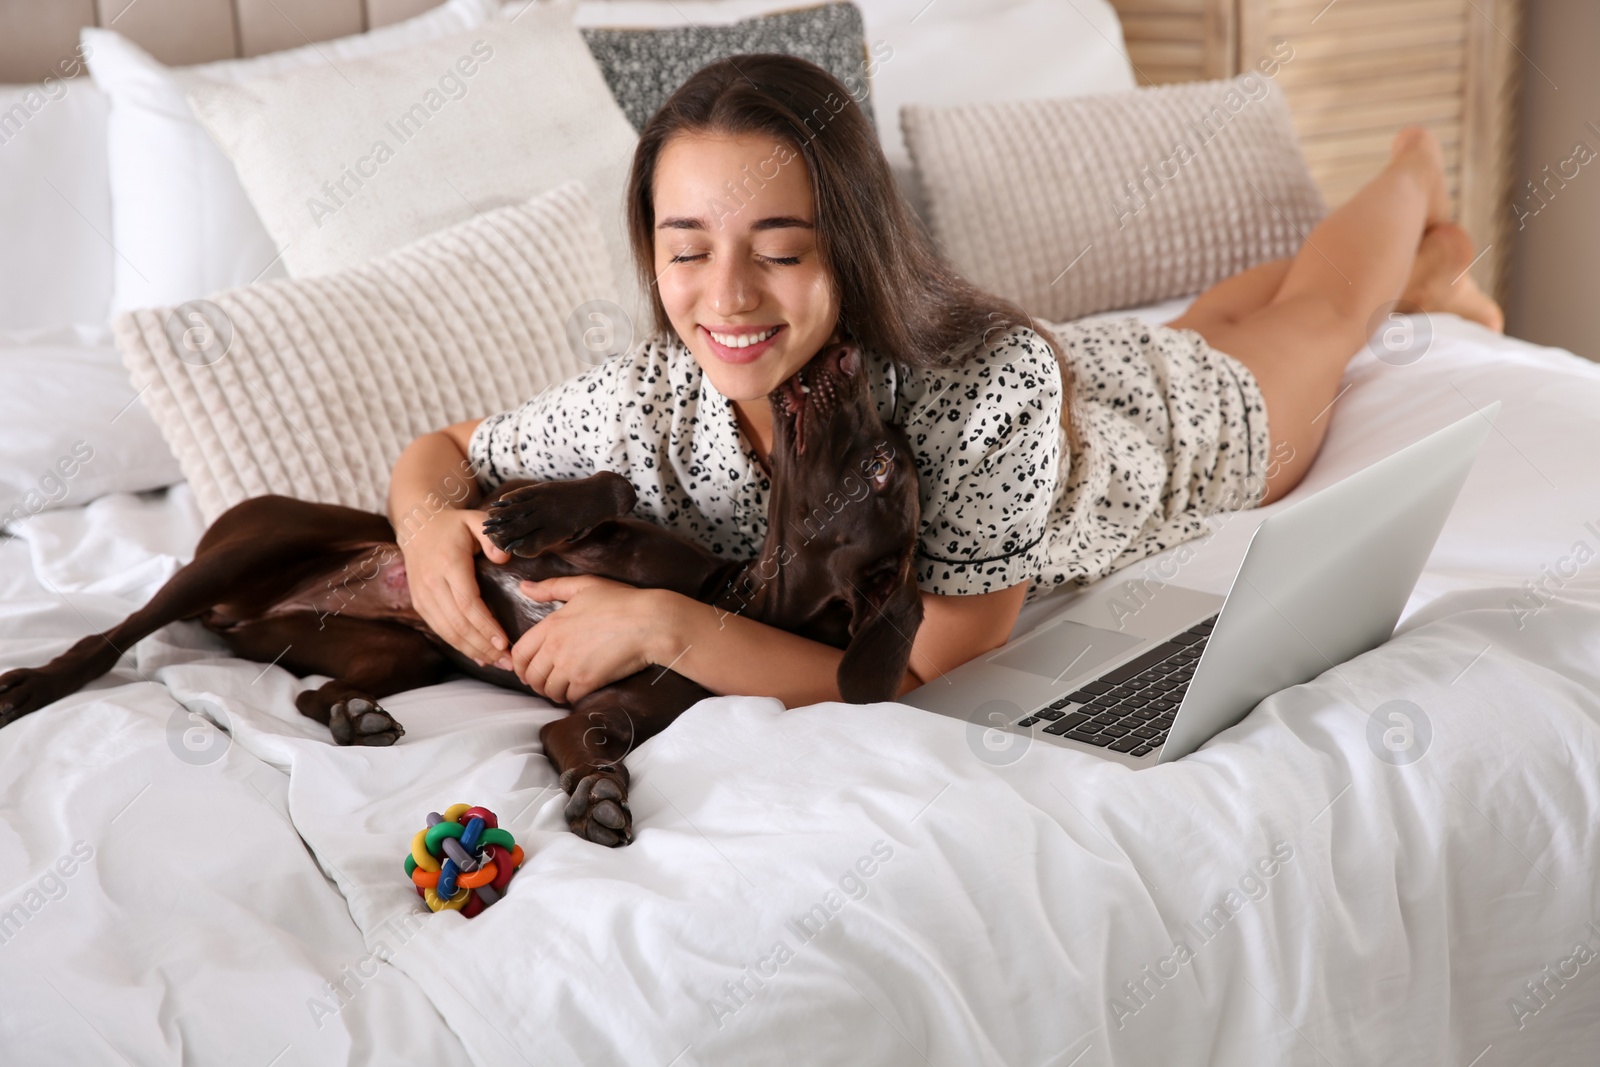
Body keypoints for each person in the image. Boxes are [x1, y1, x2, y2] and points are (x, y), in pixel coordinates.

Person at [387, 55, 1501, 710]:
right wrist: (431, 527)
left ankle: (1410, 183)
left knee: (1317, 317)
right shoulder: (652, 401)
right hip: (1057, 368)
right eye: (686, 250)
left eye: (779, 248)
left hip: (1156, 433)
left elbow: (925, 668)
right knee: (1214, 308)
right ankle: (1433, 275)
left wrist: (667, 629)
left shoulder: (980, 391)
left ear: (855, 243)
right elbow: (442, 450)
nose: (724, 298)